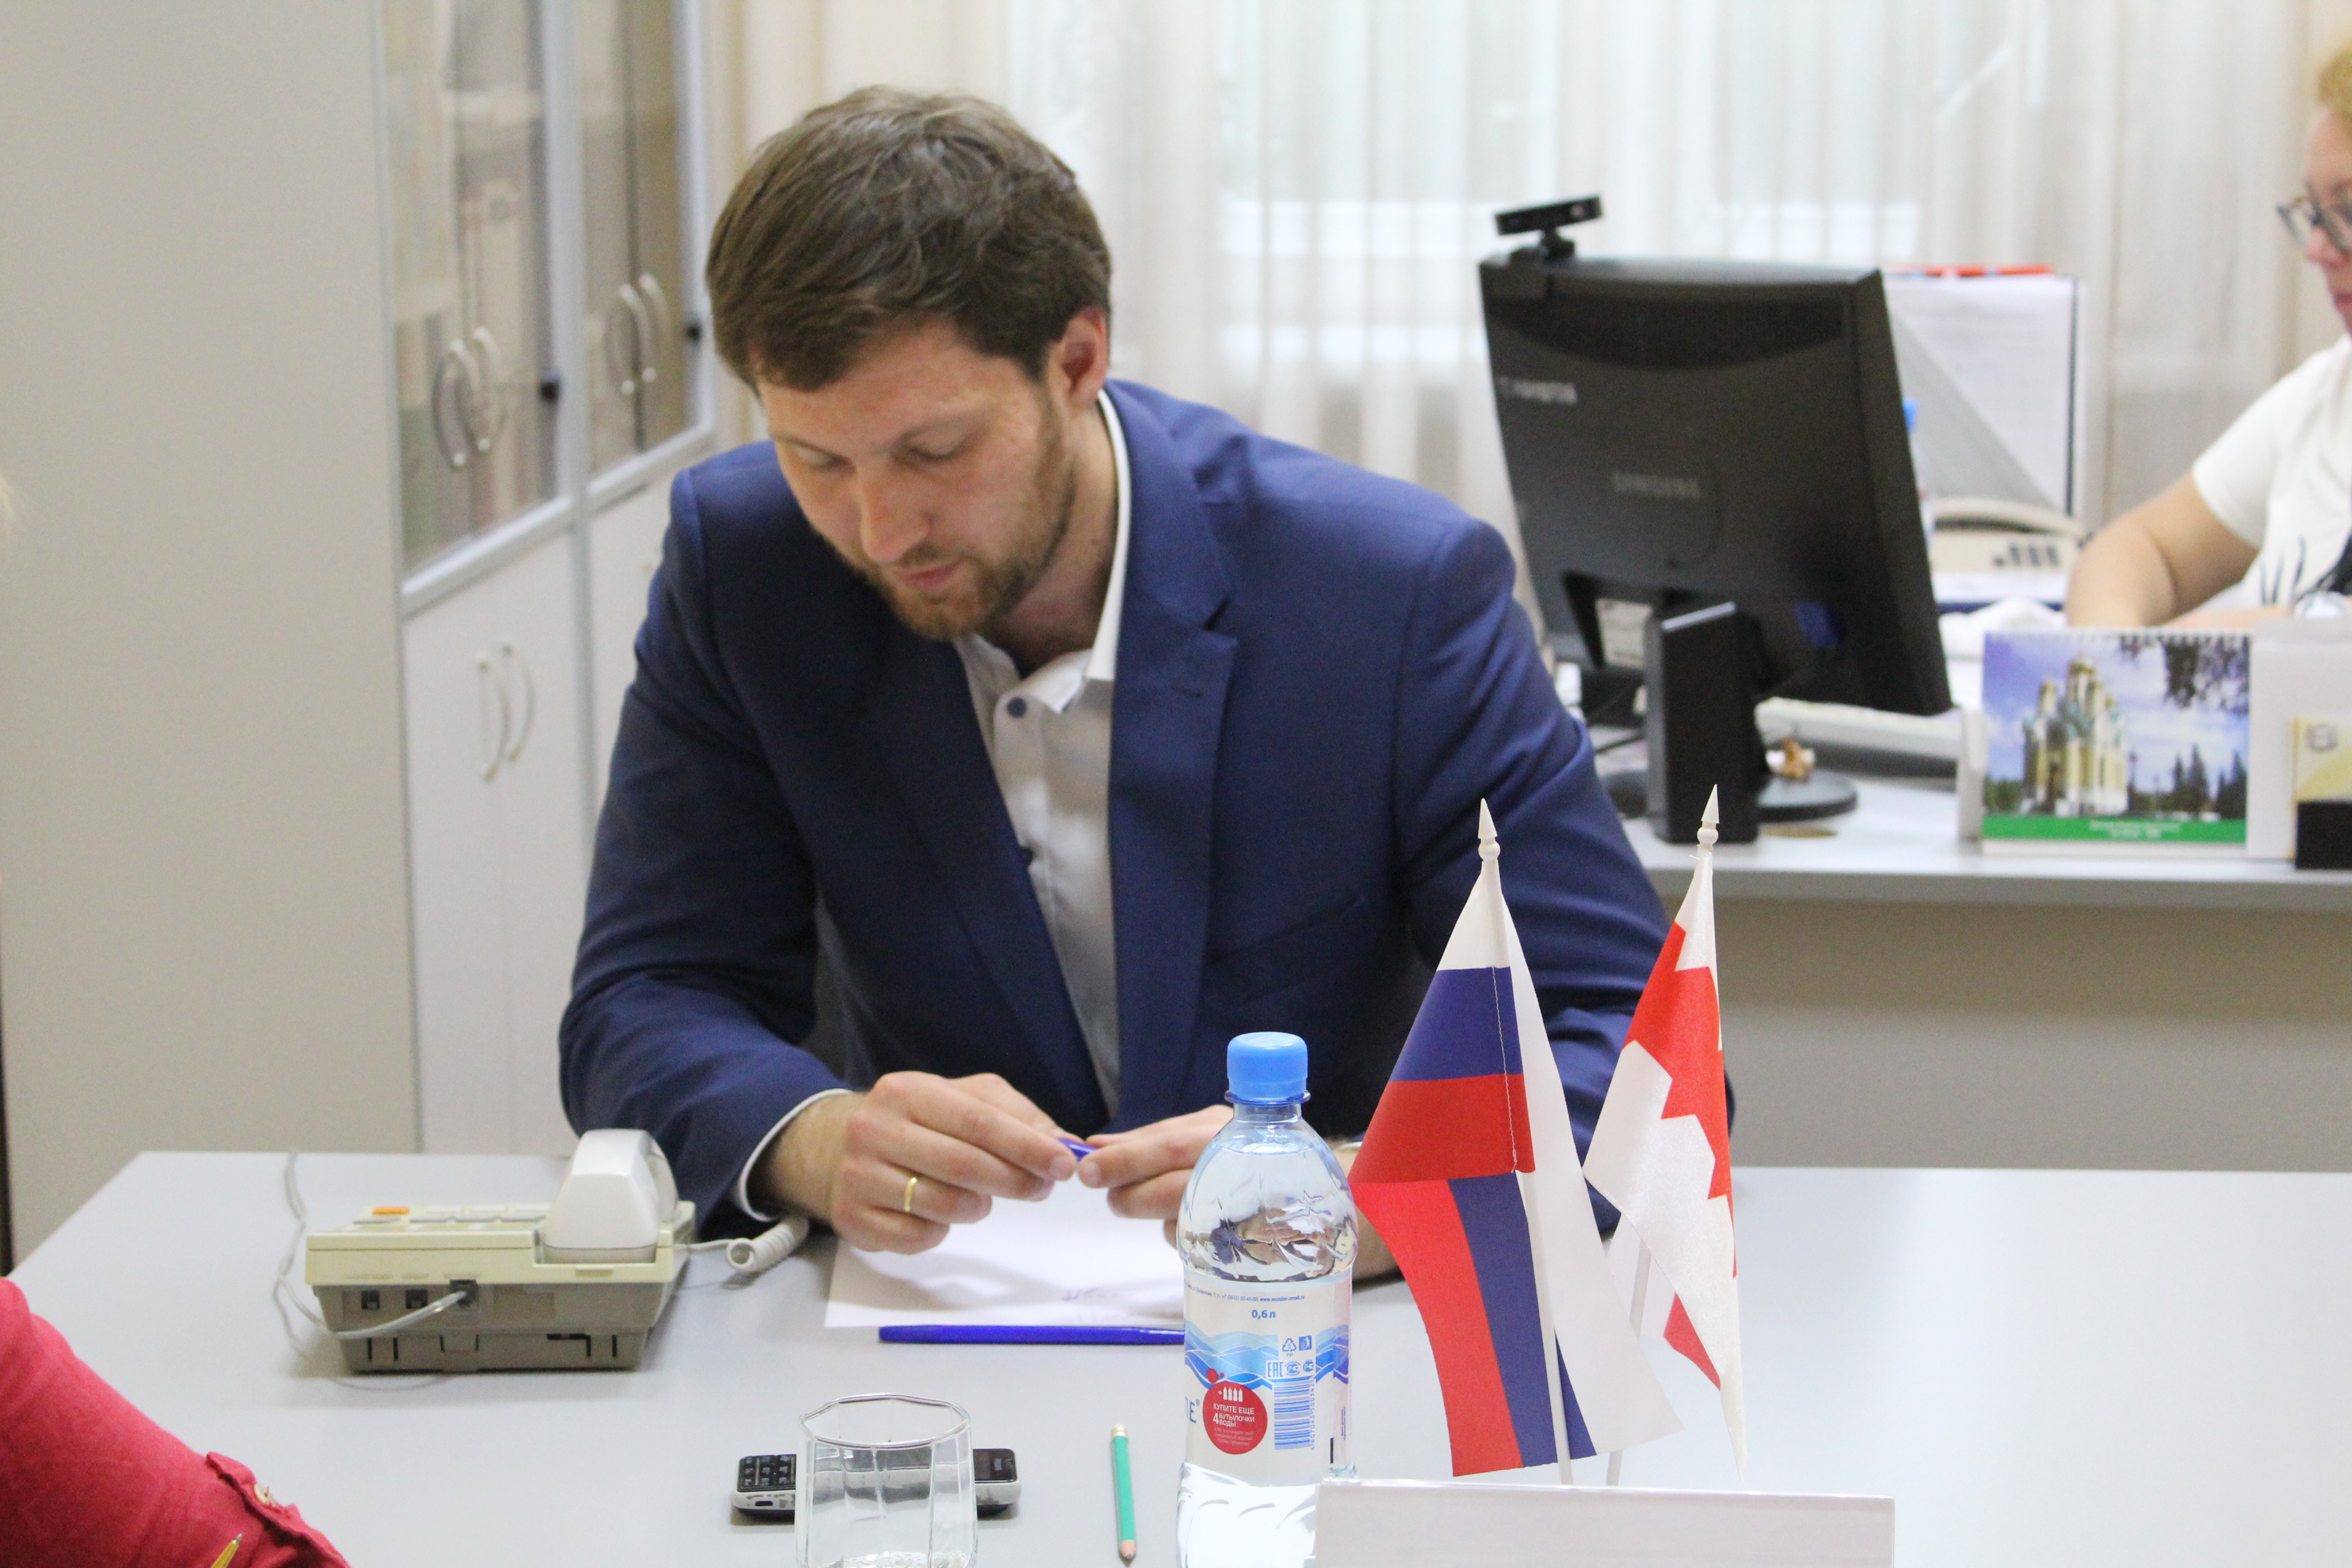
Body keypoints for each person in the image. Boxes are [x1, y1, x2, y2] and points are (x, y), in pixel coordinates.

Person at [559, 87, 1667, 1271]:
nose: (879, 530)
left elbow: (1638, 1048)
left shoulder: (1391, 594)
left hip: (1322, 1324)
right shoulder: (747, 567)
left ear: (1078, 359)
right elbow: (645, 995)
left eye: (935, 450)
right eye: (816, 458)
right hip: (933, 1313)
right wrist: (814, 1140)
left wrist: (1366, 1200)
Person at [2067, 44, 2352, 627]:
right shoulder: (2329, 392)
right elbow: (2144, 550)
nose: (2318, 249)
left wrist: (2233, 645)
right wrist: (2114, 652)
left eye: (2348, 212)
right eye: (2314, 213)